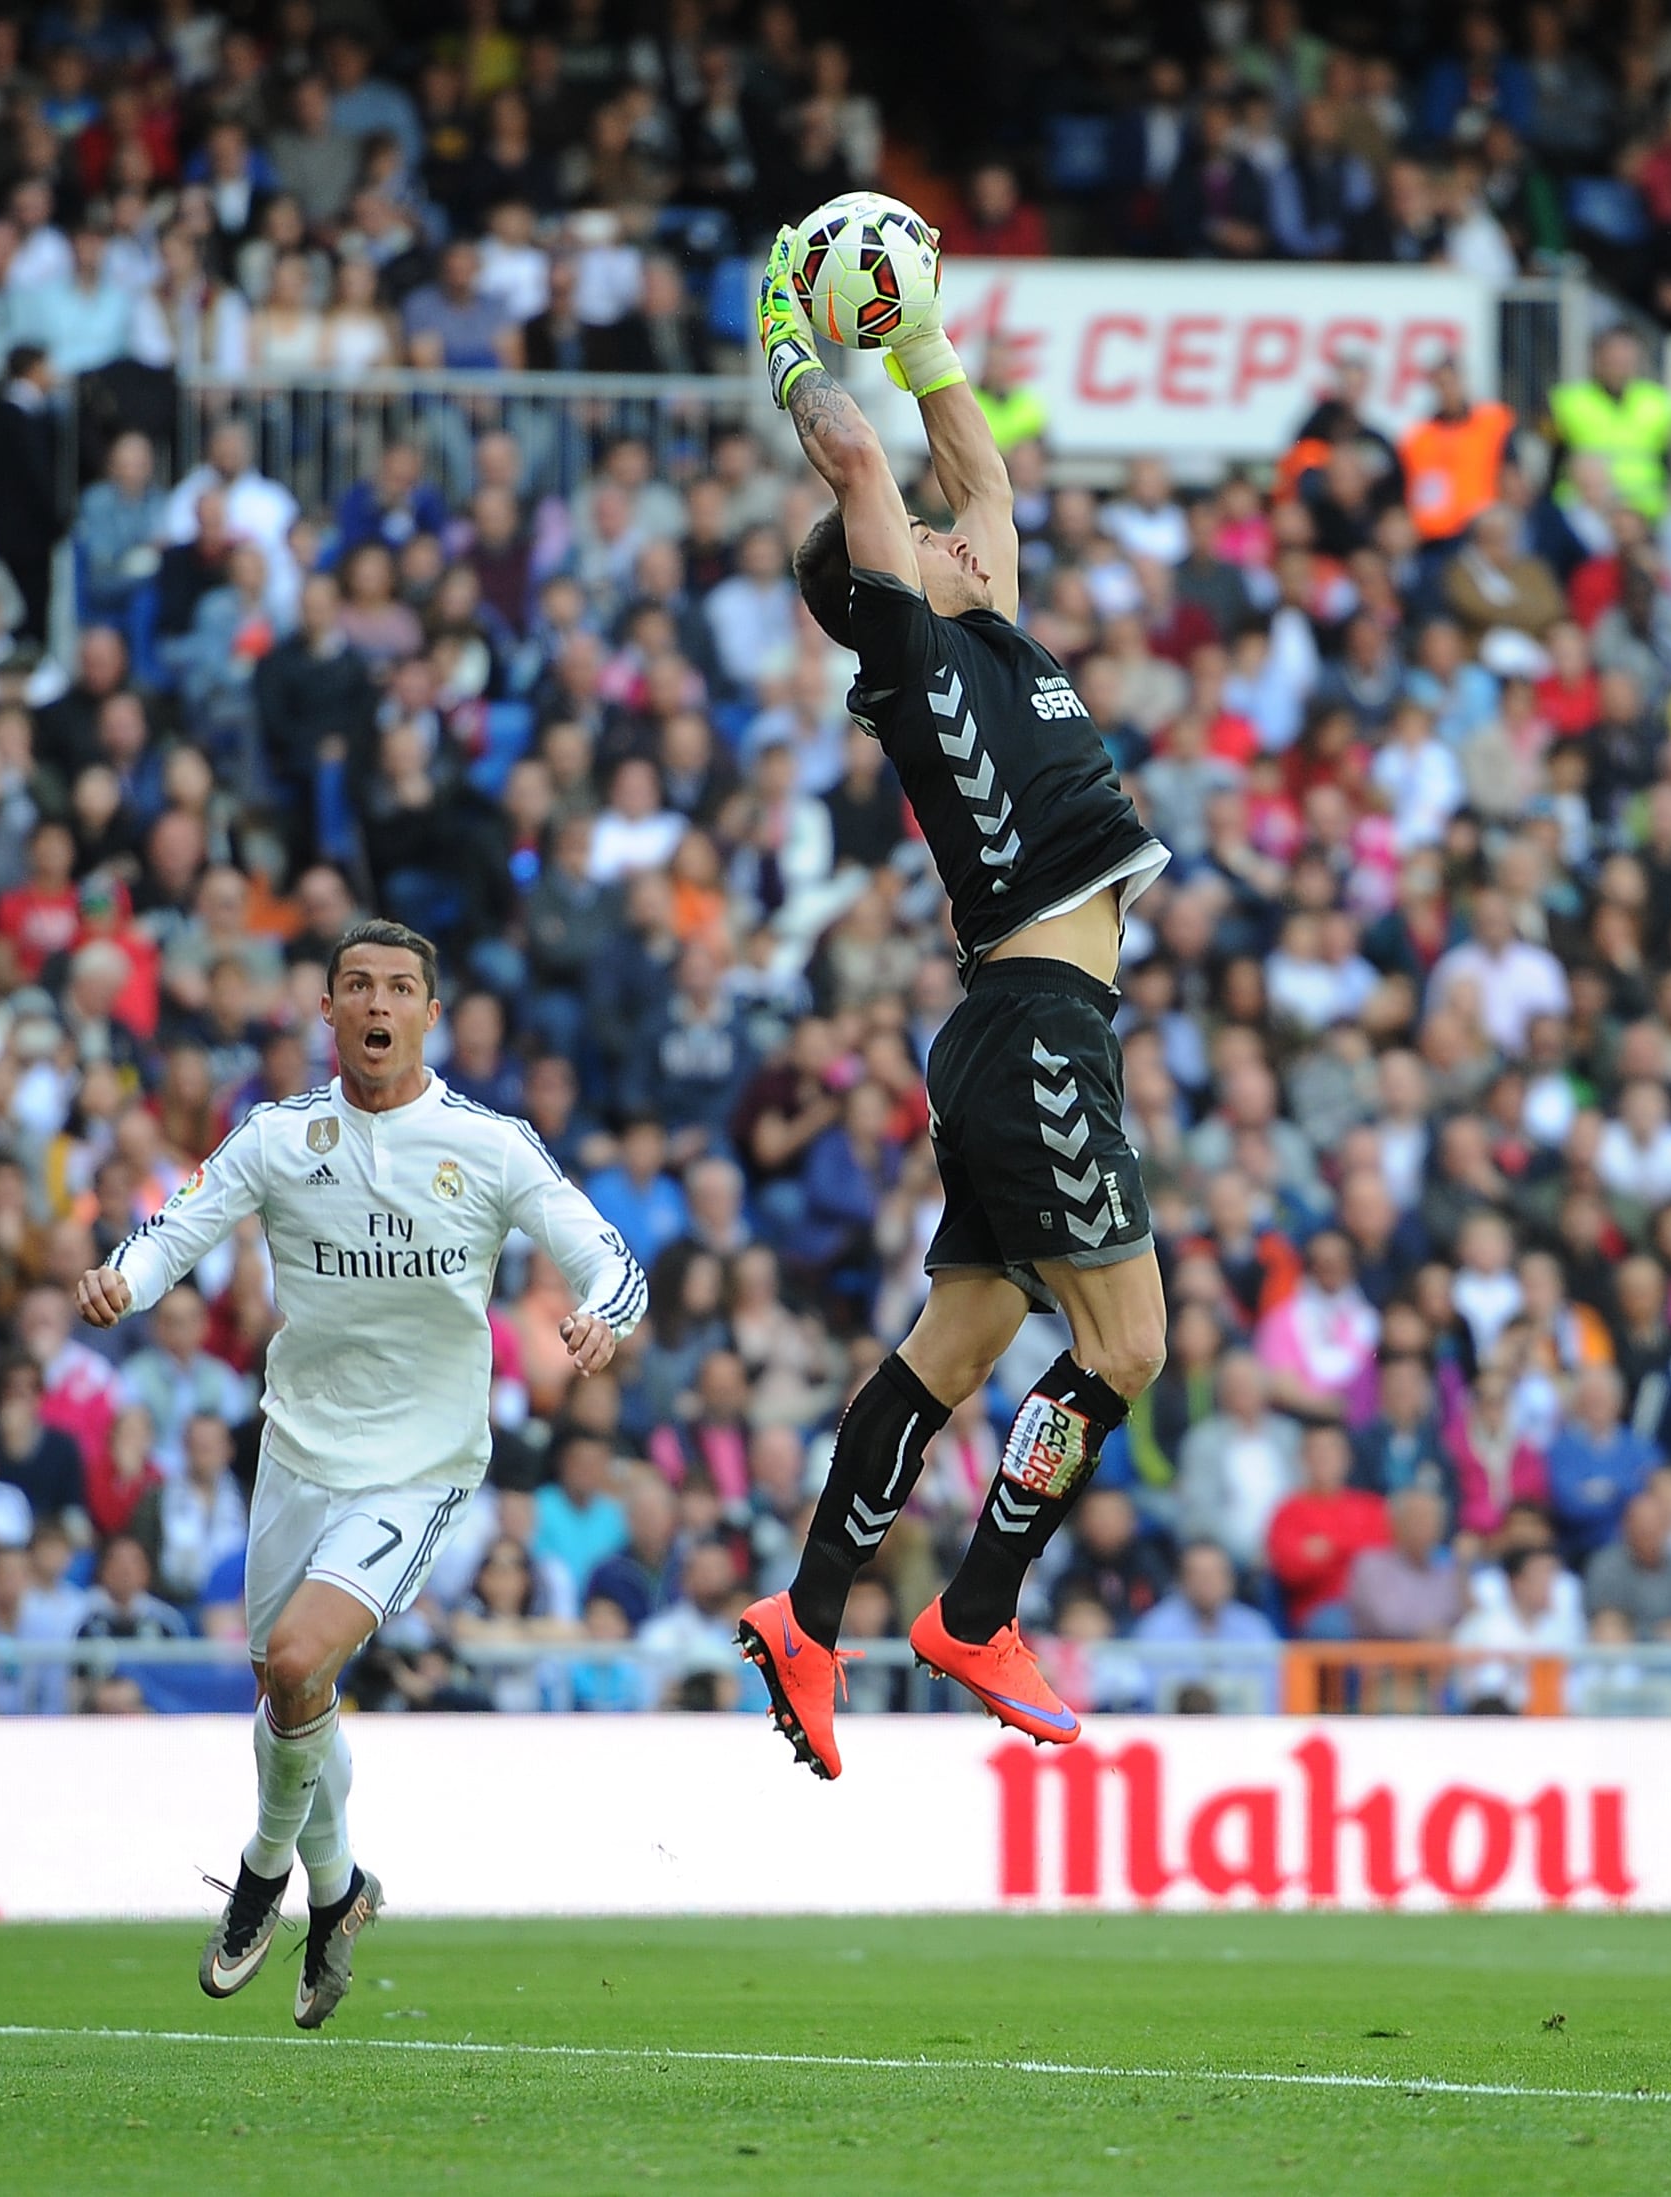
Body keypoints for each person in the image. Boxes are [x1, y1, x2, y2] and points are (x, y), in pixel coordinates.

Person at [735, 207, 1173, 1780]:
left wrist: (922, 336)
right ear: (883, 582)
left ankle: (809, 1612)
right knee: (1128, 1347)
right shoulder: (912, 651)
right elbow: (863, 465)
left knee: (957, 1348)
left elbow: (973, 471)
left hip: (1026, 1029)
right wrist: (795, 336)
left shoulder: (988, 611)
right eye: (921, 535)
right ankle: (978, 1610)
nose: (952, 525)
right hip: (1040, 1028)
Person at [76, 921, 645, 2028]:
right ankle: (338, 1895)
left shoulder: (489, 1144)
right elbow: (172, 1231)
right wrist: (120, 1283)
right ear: (329, 1011)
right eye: (356, 985)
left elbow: (607, 1256)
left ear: (429, 1014)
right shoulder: (278, 1137)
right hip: (295, 1451)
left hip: (418, 1464)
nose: (376, 1003)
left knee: (298, 1658)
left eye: (398, 987)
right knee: (289, 1693)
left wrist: (599, 1320)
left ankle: (261, 1876)